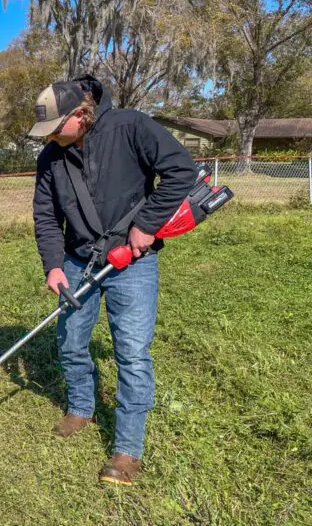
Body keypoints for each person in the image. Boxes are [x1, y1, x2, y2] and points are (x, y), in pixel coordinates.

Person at [30, 74, 197, 485]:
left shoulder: (131, 126)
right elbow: (46, 216)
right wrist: (53, 264)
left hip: (133, 264)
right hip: (77, 260)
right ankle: (81, 408)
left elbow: (181, 171)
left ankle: (127, 450)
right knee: (70, 342)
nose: (49, 137)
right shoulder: (50, 158)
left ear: (80, 114)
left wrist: (147, 225)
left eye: (55, 128)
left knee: (133, 355)